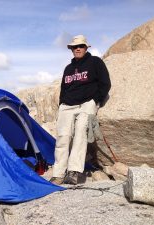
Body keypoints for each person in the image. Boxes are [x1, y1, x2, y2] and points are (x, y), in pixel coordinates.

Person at [50, 35, 111, 185]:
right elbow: (64, 89)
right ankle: (58, 173)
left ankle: (74, 171)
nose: (77, 49)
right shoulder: (68, 68)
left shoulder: (95, 62)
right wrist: (62, 105)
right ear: (71, 49)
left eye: (81, 46)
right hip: (67, 105)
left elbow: (105, 83)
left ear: (86, 48)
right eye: (74, 47)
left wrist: (95, 100)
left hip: (86, 103)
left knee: (81, 133)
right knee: (63, 137)